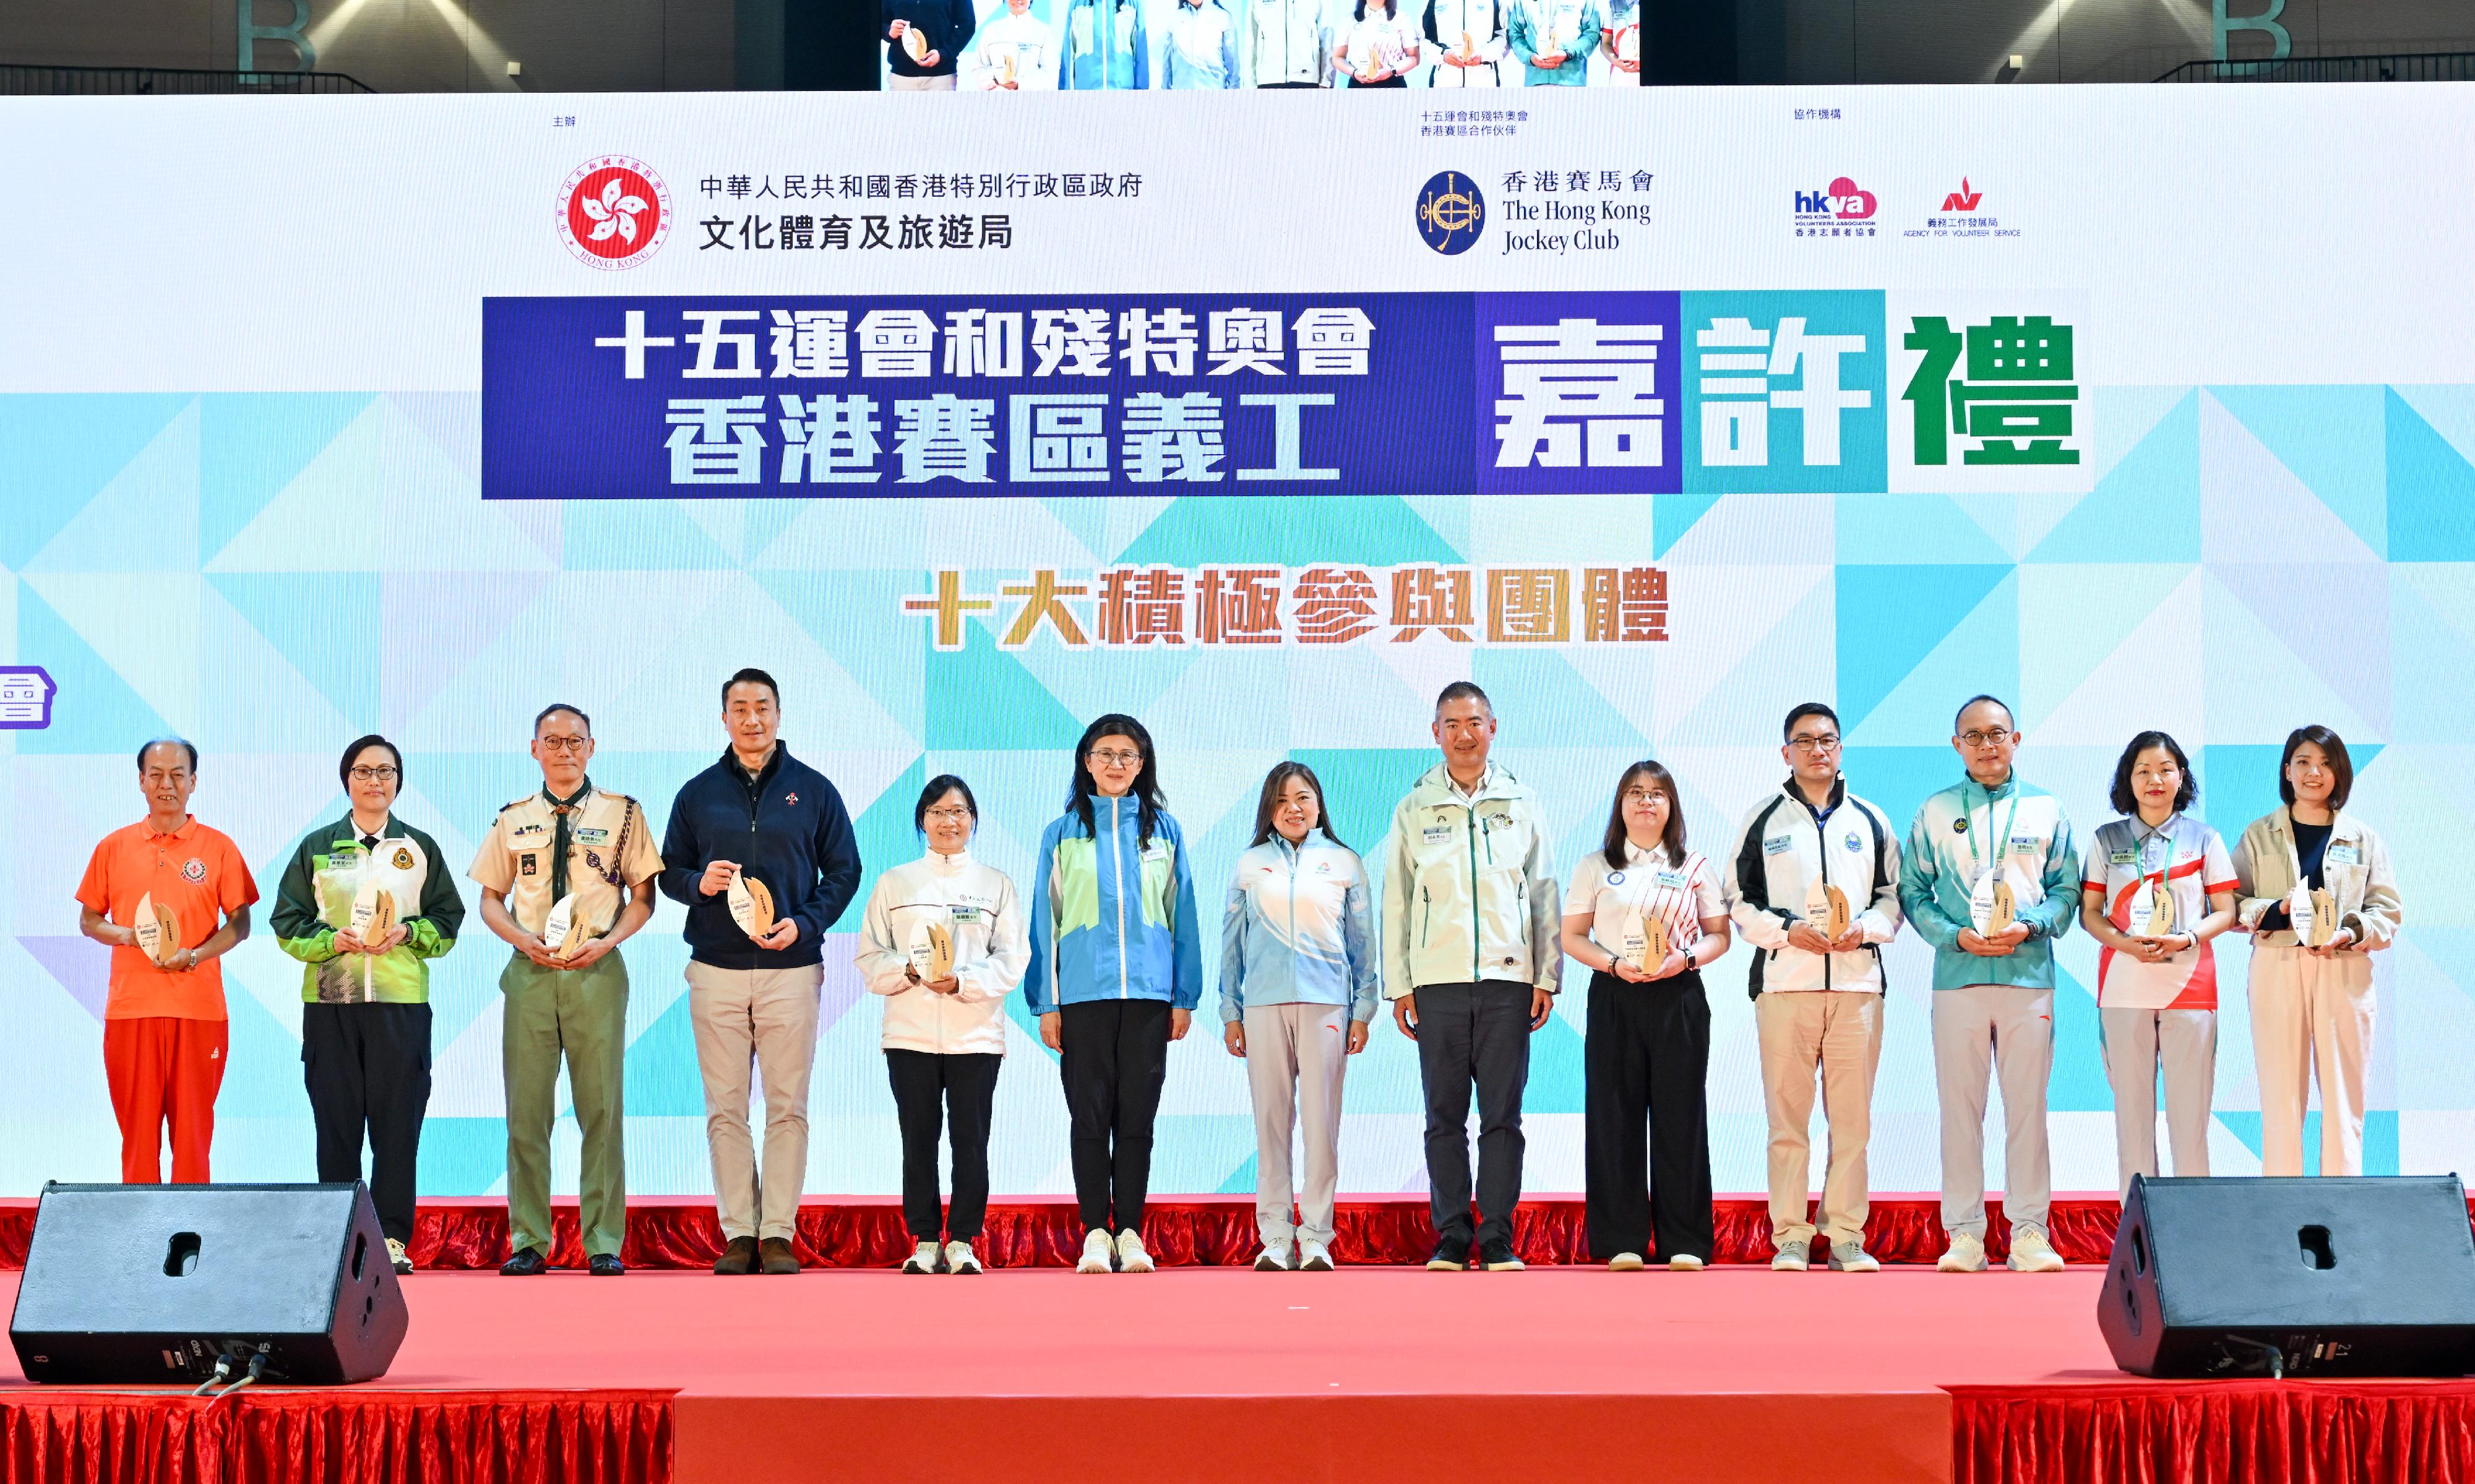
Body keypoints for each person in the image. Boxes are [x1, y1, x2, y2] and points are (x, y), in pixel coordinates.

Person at [661, 669, 863, 1276]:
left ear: (779, 713)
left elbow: (845, 871)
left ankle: (777, 1231)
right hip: (715, 968)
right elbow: (668, 871)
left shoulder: (814, 790)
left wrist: (805, 923)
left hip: (791, 969)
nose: (752, 718)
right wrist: (698, 883)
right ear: (723, 717)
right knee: (725, 1107)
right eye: (740, 708)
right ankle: (738, 1233)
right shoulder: (697, 793)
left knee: (787, 1105)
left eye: (763, 707)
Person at [471, 705, 664, 1277]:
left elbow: (644, 896)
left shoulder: (622, 813)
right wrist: (520, 939)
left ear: (592, 746)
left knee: (601, 1109)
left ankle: (602, 1240)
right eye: (552, 741)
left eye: (575, 740)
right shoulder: (513, 817)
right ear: (535, 749)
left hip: (596, 972)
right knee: (526, 1112)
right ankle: (530, 1239)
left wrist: (608, 942)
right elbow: (490, 899)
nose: (564, 750)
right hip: (531, 972)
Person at [1382, 682, 1560, 1274]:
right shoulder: (1414, 807)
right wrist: (1400, 984)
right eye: (1453, 724)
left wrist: (1546, 975)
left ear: (1493, 727)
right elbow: (1397, 900)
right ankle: (1453, 1236)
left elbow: (1543, 893)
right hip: (1438, 983)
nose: (1465, 734)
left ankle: (1499, 1237)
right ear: (1436, 732)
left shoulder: (1522, 801)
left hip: (1509, 980)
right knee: (1444, 1117)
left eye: (1475, 722)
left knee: (1503, 1117)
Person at [270, 736, 465, 1276]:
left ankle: (393, 1239)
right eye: (363, 771)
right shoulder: (318, 846)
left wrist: (409, 932)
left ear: (398, 780)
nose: (374, 780)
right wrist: (331, 941)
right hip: (331, 1001)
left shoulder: (419, 847)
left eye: (385, 771)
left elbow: (448, 921)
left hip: (401, 1006)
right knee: (336, 1124)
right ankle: (338, 1237)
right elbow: (286, 922)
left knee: (398, 1126)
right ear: (347, 779)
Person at [1897, 695, 2079, 1275]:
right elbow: (1912, 891)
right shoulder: (1935, 810)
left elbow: (2068, 890)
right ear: (1957, 745)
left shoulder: (2046, 809)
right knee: (1960, 1111)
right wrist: (1954, 936)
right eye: (1973, 736)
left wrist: (2032, 925)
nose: (1986, 745)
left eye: (1997, 733)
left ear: (2016, 739)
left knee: (2027, 1110)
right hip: (1959, 979)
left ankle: (2029, 1232)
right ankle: (1965, 1234)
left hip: (2029, 977)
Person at [1723, 703, 1901, 1274]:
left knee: (1852, 1124)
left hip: (1856, 987)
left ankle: (1846, 1234)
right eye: (1804, 741)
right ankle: (1791, 1236)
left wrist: (1865, 930)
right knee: (1787, 1123)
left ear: (1841, 748)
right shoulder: (1763, 820)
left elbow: (1892, 898)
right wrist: (1787, 932)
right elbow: (1738, 900)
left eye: (1827, 739)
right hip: (1785, 988)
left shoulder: (1870, 819)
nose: (1817, 749)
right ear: (1786, 752)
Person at [1025, 715, 1203, 1275]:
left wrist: (1184, 996)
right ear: (1087, 761)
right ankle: (1094, 1232)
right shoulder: (1062, 834)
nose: (1116, 763)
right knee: (1088, 1117)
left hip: (1149, 998)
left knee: (1137, 1119)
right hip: (1083, 997)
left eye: (1128, 754)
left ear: (1142, 764)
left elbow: (1184, 915)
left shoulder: (1164, 831)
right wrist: (1047, 1003)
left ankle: (1129, 1229)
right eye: (1105, 753)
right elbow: (1045, 921)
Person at [854, 776, 1028, 1276]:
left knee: (971, 1142)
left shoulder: (995, 884)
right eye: (936, 812)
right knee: (918, 1140)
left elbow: (1013, 959)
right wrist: (909, 971)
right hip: (909, 1035)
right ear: (922, 820)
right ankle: (926, 1238)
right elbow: (869, 957)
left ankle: (964, 1240)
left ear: (973, 819)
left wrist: (962, 982)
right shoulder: (895, 883)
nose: (948, 821)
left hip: (975, 1035)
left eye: (958, 811)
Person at [1562, 760, 1731, 1271]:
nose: (1646, 801)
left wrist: (1687, 959)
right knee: (1615, 1116)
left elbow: (1720, 935)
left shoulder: (1693, 865)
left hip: (1679, 994)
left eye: (1657, 793)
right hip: (1615, 994)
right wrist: (1614, 964)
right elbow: (1572, 936)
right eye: (1635, 792)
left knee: (1682, 1116)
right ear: (1620, 804)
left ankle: (1686, 1239)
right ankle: (1623, 1239)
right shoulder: (1595, 865)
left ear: (1671, 806)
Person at [75, 740, 259, 1186]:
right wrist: (129, 936)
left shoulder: (218, 848)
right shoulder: (113, 847)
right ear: (141, 781)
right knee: (137, 1139)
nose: (167, 784)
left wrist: (194, 955)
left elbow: (240, 924)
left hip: (199, 1012)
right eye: (156, 774)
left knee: (193, 1138)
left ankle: (192, 1229)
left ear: (193, 782)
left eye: (178, 774)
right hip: (131, 1010)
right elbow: (89, 919)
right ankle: (141, 1228)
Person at [1220, 761, 1379, 1272]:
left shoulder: (1344, 862)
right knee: (1271, 1123)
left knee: (1321, 1124)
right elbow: (1231, 944)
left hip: (1327, 1006)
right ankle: (1275, 1237)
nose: (1293, 808)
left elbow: (1363, 944)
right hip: (1262, 1007)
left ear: (1318, 804)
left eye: (1303, 797)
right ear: (1269, 807)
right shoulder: (1250, 864)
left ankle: (1315, 1236)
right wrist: (1231, 1010)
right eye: (1282, 799)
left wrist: (1363, 1009)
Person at [2232, 726, 2401, 1178]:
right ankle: (2282, 1203)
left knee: (2345, 1094)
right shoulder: (2259, 834)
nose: (2314, 772)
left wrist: (2350, 931)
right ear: (2287, 770)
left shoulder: (2362, 838)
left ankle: (2342, 1204)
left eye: (2326, 763)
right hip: (2278, 964)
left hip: (2343, 966)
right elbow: (2230, 902)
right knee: (2280, 1092)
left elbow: (2387, 911)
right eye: (2304, 762)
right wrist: (2276, 909)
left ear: (2340, 772)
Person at [2079, 731, 2237, 1196]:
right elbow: (2090, 913)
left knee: (2191, 1117)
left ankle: (2195, 1225)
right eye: (2143, 770)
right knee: (2132, 1117)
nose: (2155, 779)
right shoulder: (2106, 839)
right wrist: (2125, 944)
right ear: (2128, 779)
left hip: (2191, 986)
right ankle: (2139, 1225)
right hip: (2123, 986)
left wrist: (2187, 937)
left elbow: (2226, 911)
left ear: (2181, 776)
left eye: (2166, 770)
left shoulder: (2204, 838)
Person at [967, 0, 1062, 88]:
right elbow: (978, 68)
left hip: (1031, 98)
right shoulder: (991, 31)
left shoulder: (1043, 31)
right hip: (997, 97)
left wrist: (1019, 85)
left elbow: (1050, 73)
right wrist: (996, 81)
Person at [884, 0, 973, 88]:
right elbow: (879, 21)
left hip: (942, 77)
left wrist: (944, 54)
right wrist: (888, 32)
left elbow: (968, 25)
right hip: (901, 76)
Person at [1505, 0, 1598, 84]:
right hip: (1535, 80)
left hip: (1572, 82)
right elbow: (1515, 33)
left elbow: (1592, 34)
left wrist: (1569, 53)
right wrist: (1529, 57)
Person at [1061, 0, 1148, 87]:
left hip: (1123, 93)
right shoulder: (1077, 5)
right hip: (1086, 93)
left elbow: (1141, 58)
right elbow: (1068, 57)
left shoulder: (1132, 4)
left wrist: (1142, 94)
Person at [1334, 0, 1421, 85]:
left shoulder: (1401, 19)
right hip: (1358, 84)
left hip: (1393, 84)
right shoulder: (1350, 19)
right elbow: (1337, 57)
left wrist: (1391, 70)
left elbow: (1414, 57)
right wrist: (1354, 73)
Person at [1421, 0, 1505, 85]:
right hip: (1444, 81)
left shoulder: (1495, 2)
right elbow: (1425, 39)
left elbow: (1503, 37)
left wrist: (1483, 56)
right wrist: (1443, 55)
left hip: (1485, 82)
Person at [1249, 0, 1331, 85]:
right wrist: (1250, 84)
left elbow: (1327, 39)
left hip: (1307, 79)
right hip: (1268, 79)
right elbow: (1251, 40)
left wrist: (1325, 81)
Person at [1164, 0, 1242, 86]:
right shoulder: (1175, 18)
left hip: (1213, 91)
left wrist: (1234, 90)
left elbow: (1233, 64)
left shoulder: (1223, 17)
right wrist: (1165, 90)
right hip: (1181, 92)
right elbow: (1167, 64)